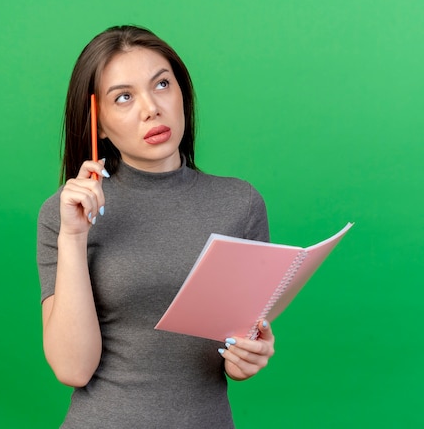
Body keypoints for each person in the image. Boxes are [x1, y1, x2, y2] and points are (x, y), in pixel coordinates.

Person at [37, 25, 275, 428]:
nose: (151, 108)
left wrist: (247, 357)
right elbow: (73, 370)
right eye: (124, 97)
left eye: (162, 84)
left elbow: (235, 348)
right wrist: (74, 236)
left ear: (182, 93)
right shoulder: (64, 214)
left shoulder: (240, 204)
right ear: (99, 124)